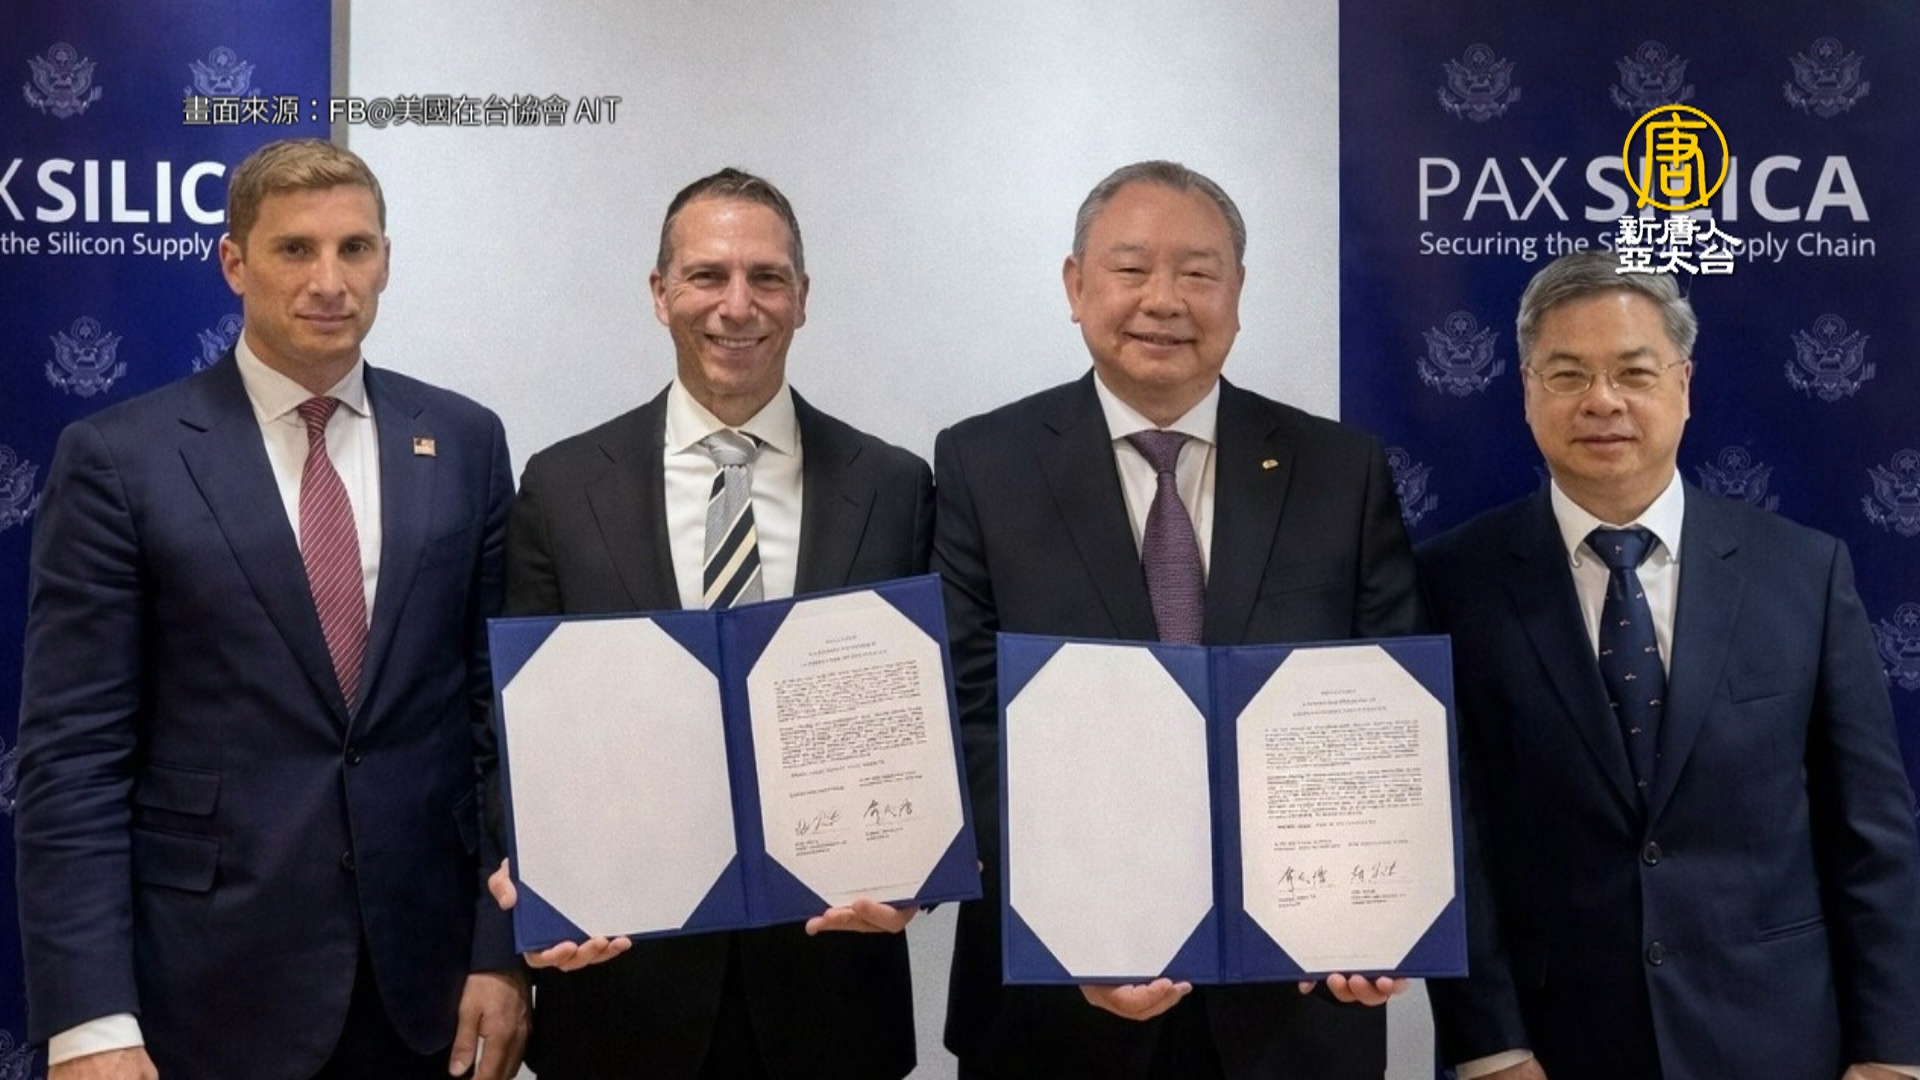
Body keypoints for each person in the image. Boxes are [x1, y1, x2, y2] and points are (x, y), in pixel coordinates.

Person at [14, 138, 527, 1080]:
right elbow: (73, 759)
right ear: (234, 263)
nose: (330, 282)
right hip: (205, 992)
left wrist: (502, 950)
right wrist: (89, 1020)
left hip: (422, 989)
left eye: (355, 248)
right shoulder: (121, 460)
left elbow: (498, 717)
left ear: (385, 260)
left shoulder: (464, 441)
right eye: (295, 249)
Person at [935, 160, 1421, 1080]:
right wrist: (1079, 927)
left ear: (1237, 295)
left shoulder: (1339, 470)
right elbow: (967, 720)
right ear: (1076, 286)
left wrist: (1378, 909)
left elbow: (1391, 712)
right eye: (1130, 269)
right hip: (1055, 1009)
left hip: (1295, 1002)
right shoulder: (982, 465)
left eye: (1198, 273)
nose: (1163, 300)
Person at [1422, 251, 1920, 1080]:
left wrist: (1893, 1055)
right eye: (1568, 374)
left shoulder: (1803, 571)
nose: (1603, 400)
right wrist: (1492, 1050)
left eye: (1633, 372)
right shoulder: (1451, 582)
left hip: (1781, 1041)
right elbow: (1450, 839)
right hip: (1554, 1047)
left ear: (1684, 386)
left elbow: (1871, 831)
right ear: (1527, 391)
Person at [496, 167, 932, 1080]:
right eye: (707, 276)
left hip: (831, 995)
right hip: (621, 988)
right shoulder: (562, 486)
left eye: (767, 277)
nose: (738, 305)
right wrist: (528, 869)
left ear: (803, 297)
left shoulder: (895, 488)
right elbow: (512, 719)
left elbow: (926, 716)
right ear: (661, 294)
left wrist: (919, 876)